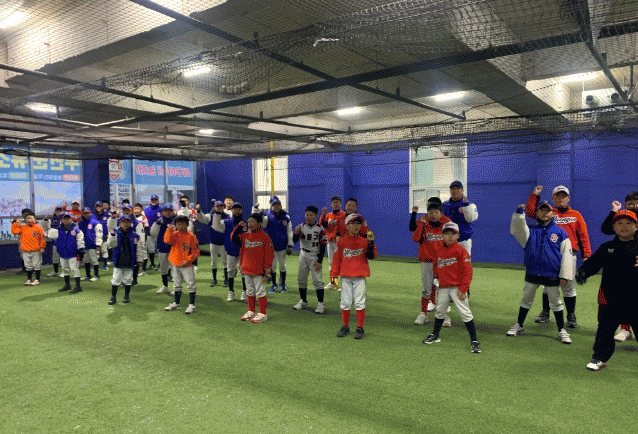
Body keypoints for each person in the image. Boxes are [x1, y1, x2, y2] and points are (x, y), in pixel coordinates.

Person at [575, 210, 638, 371]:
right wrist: (583, 272)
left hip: (635, 298)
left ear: (636, 226)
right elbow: (593, 264)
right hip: (611, 298)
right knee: (605, 330)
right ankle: (600, 358)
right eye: (619, 223)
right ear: (614, 227)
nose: (624, 226)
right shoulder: (607, 247)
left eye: (629, 223)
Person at [507, 202, 573, 344]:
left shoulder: (560, 232)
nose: (544, 213)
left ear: (553, 213)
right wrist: (519, 213)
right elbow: (517, 229)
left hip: (551, 274)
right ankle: (519, 325)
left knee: (556, 302)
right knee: (526, 299)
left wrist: (565, 275)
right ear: (537, 213)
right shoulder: (530, 231)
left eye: (547, 211)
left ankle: (561, 330)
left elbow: (566, 255)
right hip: (533, 271)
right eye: (541, 210)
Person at [526, 185, 591, 328]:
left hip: (569, 254)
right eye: (558, 196)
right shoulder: (548, 213)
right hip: (550, 254)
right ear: (553, 198)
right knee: (547, 285)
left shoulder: (576, 215)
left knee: (568, 286)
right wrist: (534, 195)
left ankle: (571, 315)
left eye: (564, 196)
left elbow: (583, 236)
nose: (561, 199)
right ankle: (545, 312)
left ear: (568, 198)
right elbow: (530, 212)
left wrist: (586, 255)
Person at [423, 222, 481, 353]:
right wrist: (436, 277)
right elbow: (436, 265)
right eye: (447, 233)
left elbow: (467, 272)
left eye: (452, 234)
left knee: (465, 313)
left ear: (458, 236)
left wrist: (463, 288)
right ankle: (435, 335)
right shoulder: (439, 251)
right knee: (440, 311)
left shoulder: (461, 251)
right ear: (442, 235)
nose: (449, 236)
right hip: (443, 288)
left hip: (457, 288)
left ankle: (474, 340)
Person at [331, 214, 377, 339]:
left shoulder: (364, 241)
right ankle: (345, 326)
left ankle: (360, 327)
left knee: (360, 302)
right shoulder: (342, 241)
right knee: (345, 302)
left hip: (359, 276)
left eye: (358, 223)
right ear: (347, 226)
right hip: (345, 276)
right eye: (353, 223)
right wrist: (334, 276)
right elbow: (337, 260)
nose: (356, 226)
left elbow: (372, 256)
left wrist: (371, 243)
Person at [599, 192, 638, 342]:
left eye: (636, 202)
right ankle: (625, 329)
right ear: (625, 204)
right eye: (630, 203)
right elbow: (606, 229)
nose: (633, 205)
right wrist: (614, 211)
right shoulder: (621, 216)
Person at [410, 197, 451, 313]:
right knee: (428, 285)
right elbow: (415, 238)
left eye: (436, 211)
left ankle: (444, 305)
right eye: (430, 211)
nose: (433, 214)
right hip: (427, 258)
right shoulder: (422, 220)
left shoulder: (447, 222)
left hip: (442, 260)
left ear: (440, 212)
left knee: (443, 285)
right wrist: (421, 225)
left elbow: (451, 240)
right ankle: (426, 309)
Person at [231, 213, 274, 323]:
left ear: (259, 223)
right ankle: (251, 310)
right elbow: (233, 238)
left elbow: (270, 253)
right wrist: (239, 227)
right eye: (249, 222)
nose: (250, 224)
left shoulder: (264, 236)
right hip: (246, 268)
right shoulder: (245, 236)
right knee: (249, 291)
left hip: (260, 270)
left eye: (253, 222)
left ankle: (263, 313)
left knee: (260, 291)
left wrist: (268, 268)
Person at [253, 196, 293, 293]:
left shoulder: (286, 216)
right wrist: (259, 213)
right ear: (271, 206)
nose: (276, 207)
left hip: (282, 245)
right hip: (271, 246)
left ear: (281, 206)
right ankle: (274, 284)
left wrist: (290, 245)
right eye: (274, 205)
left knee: (283, 266)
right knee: (273, 266)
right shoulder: (267, 216)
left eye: (278, 205)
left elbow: (289, 231)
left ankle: (283, 284)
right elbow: (261, 224)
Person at [292, 206, 327, 313]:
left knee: (317, 280)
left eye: (311, 215)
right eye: (307, 215)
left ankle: (320, 303)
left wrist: (319, 261)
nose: (308, 217)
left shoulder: (320, 228)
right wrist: (295, 233)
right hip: (303, 254)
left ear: (316, 216)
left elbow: (323, 246)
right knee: (301, 279)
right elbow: (294, 240)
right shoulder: (301, 226)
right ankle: (303, 300)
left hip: (315, 255)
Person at [164, 215, 201, 314]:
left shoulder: (191, 236)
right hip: (175, 263)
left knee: (191, 284)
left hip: (187, 265)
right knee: (176, 284)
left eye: (183, 224)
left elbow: (196, 251)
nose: (181, 226)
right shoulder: (174, 234)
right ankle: (176, 303)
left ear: (187, 225)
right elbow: (167, 241)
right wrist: (169, 230)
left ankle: (192, 305)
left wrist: (188, 260)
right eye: (178, 224)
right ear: (175, 225)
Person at [212, 202, 247, 302]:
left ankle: (244, 291)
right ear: (231, 210)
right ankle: (231, 291)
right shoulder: (226, 222)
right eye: (234, 209)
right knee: (230, 271)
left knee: (244, 271)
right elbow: (216, 226)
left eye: (238, 209)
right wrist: (217, 214)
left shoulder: (246, 222)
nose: (237, 211)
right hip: (230, 250)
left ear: (241, 210)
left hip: (243, 251)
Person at [106, 214, 144, 305]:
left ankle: (126, 296)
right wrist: (112, 235)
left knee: (128, 279)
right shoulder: (115, 233)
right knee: (116, 279)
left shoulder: (135, 235)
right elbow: (110, 244)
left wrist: (140, 259)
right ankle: (113, 296)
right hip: (118, 260)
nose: (126, 224)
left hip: (130, 260)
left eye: (128, 222)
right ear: (120, 223)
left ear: (131, 223)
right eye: (124, 222)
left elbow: (139, 249)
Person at [47, 212, 85, 293]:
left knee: (74, 269)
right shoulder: (57, 230)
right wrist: (48, 223)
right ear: (61, 219)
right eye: (65, 218)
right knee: (64, 269)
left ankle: (78, 286)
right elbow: (48, 234)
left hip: (73, 253)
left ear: (71, 219)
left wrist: (81, 249)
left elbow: (80, 240)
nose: (67, 220)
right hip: (62, 253)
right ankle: (67, 285)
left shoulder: (76, 230)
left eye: (68, 218)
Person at [108, 205, 145, 286]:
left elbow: (140, 237)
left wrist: (141, 248)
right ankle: (124, 281)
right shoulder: (120, 220)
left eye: (128, 210)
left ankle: (134, 280)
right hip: (122, 244)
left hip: (133, 243)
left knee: (134, 262)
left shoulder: (137, 222)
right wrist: (112, 217)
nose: (126, 212)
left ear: (132, 211)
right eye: (125, 210)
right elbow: (111, 228)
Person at [196, 200, 227, 287]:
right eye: (217, 206)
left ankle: (226, 279)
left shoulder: (227, 216)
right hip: (213, 242)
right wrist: (199, 211)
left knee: (225, 261)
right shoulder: (210, 216)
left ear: (223, 207)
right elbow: (201, 218)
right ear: (214, 207)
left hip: (223, 243)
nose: (219, 208)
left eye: (221, 206)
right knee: (213, 261)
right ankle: (214, 279)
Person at [442, 181, 478, 256]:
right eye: (453, 189)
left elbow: (471, 218)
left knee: (465, 261)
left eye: (457, 189)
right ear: (450, 191)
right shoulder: (445, 205)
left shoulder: (470, 205)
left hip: (464, 240)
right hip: (449, 240)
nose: (455, 191)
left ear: (462, 190)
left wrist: (466, 206)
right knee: (449, 261)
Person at [11, 211, 46, 286]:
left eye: (31, 218)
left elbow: (42, 239)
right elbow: (14, 231)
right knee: (28, 266)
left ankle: (37, 279)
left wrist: (42, 247)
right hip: (25, 250)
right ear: (25, 220)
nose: (29, 220)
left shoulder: (39, 228)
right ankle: (29, 279)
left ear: (34, 219)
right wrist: (15, 223)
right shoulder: (22, 227)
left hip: (36, 250)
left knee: (37, 265)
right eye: (28, 218)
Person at [319, 196, 346, 290]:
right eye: (334, 202)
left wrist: (336, 222)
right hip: (330, 242)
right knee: (331, 263)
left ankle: (343, 284)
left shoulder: (344, 214)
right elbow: (322, 225)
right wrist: (323, 215)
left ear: (340, 204)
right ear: (331, 204)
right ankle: (333, 283)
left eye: (337, 202)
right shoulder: (328, 215)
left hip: (340, 242)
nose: (336, 204)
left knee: (341, 263)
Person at [150, 204, 175, 295]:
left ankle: (176, 288)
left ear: (172, 211)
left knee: (175, 269)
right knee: (163, 269)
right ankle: (165, 286)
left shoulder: (176, 220)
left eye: (169, 211)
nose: (168, 213)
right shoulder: (159, 221)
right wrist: (157, 223)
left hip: (174, 248)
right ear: (162, 212)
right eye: (166, 211)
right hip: (162, 247)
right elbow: (153, 233)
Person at [78, 207, 103, 282]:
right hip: (85, 245)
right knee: (86, 260)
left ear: (90, 213)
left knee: (94, 259)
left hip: (93, 245)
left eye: (88, 213)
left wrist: (98, 244)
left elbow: (99, 234)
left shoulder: (95, 222)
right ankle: (88, 275)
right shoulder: (81, 223)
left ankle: (96, 275)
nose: (86, 214)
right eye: (84, 213)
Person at [42, 206, 65, 277]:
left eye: (60, 211)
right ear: (55, 211)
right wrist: (46, 219)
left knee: (64, 257)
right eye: (57, 211)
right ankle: (55, 271)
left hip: (64, 241)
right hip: (55, 241)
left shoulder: (66, 218)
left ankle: (64, 272)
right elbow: (45, 227)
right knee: (55, 257)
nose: (59, 212)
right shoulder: (51, 219)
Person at [144, 195, 162, 271]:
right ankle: (152, 264)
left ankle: (160, 264)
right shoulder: (146, 210)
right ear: (150, 201)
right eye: (153, 200)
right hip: (149, 232)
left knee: (160, 249)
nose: (154, 201)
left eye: (155, 200)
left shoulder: (161, 210)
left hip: (159, 232)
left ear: (158, 200)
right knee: (151, 249)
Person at [133, 203, 149, 276]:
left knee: (143, 253)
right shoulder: (132, 217)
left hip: (142, 237)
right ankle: (135, 269)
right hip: (133, 238)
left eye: (138, 209)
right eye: (135, 209)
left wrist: (145, 238)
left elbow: (147, 228)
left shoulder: (143, 217)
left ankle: (143, 270)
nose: (136, 210)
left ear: (141, 210)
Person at [94, 201, 110, 271]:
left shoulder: (106, 214)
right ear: (95, 207)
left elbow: (110, 223)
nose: (98, 207)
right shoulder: (93, 215)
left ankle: (105, 265)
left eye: (100, 206)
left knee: (104, 250)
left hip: (104, 234)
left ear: (102, 207)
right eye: (97, 206)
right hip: (95, 235)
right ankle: (95, 265)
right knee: (96, 251)